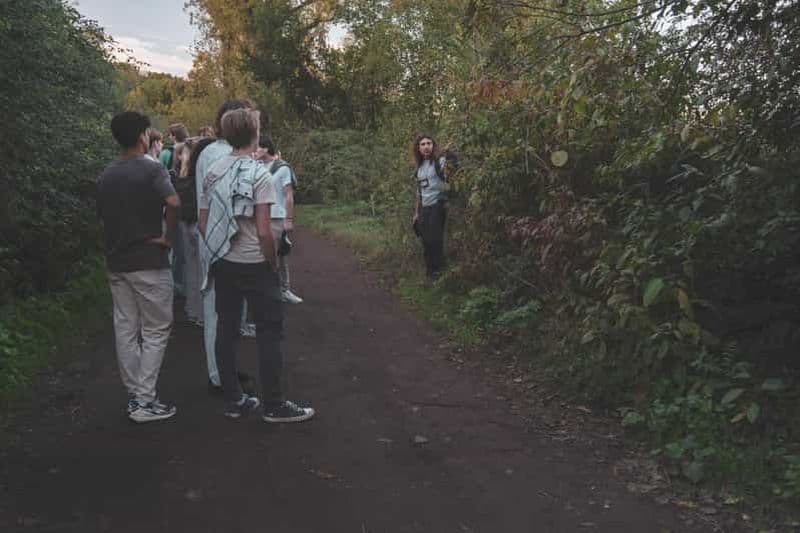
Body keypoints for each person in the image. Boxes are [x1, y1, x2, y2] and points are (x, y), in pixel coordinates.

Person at [198, 108, 314, 422]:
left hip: (224, 262)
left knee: (227, 329)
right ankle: (274, 404)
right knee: (269, 331)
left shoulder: (213, 172)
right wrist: (272, 261)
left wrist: (220, 249)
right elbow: (265, 230)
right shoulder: (258, 174)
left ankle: (234, 398)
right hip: (255, 263)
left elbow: (203, 221)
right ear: (254, 134)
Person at [96, 111, 179, 423]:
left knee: (126, 328)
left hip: (117, 263)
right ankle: (145, 400)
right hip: (149, 261)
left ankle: (135, 394)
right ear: (144, 135)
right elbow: (173, 203)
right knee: (156, 329)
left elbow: (103, 218)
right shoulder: (152, 169)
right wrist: (167, 238)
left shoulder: (106, 175)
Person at [196, 99, 255, 392]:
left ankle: (227, 368)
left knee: (232, 312)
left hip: (225, 239)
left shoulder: (218, 152)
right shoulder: (215, 154)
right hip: (220, 239)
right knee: (217, 311)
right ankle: (218, 375)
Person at [255, 136, 302, 304]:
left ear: (266, 148)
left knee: (277, 254)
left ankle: (281, 290)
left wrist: (289, 219)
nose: (255, 151)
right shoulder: (257, 166)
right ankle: (277, 289)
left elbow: (288, 195)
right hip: (260, 215)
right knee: (267, 254)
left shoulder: (282, 168)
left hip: (276, 216)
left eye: (258, 148)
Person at [411, 134, 450, 279]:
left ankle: (440, 275)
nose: (426, 146)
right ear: (418, 148)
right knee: (426, 242)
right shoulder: (420, 167)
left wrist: (446, 152)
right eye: (422, 144)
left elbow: (449, 177)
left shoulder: (439, 162)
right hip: (423, 209)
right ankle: (430, 275)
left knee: (435, 241)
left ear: (433, 146)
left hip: (436, 206)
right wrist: (416, 213)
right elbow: (419, 192)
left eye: (429, 143)